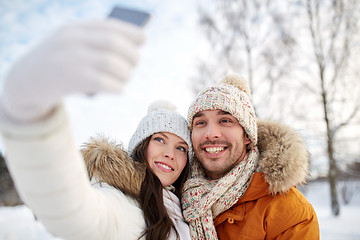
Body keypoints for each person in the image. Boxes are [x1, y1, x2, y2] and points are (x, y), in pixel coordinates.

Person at [0, 18, 191, 240]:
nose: (170, 153)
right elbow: (70, 209)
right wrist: (28, 103)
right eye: (159, 139)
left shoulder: (185, 210)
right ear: (141, 145)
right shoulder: (120, 202)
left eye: (181, 148)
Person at [181, 74, 320, 240]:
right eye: (201, 123)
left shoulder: (290, 212)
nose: (211, 134)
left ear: (247, 136)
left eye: (225, 120)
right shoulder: (172, 197)